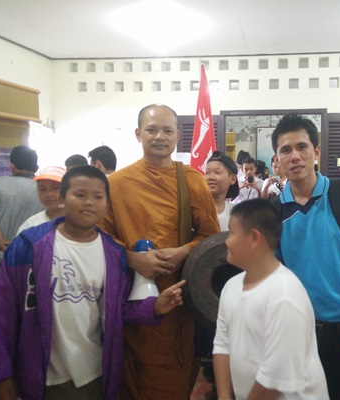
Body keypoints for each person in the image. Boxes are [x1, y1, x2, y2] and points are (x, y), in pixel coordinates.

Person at [0, 165, 185, 400]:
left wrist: (154, 307)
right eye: (80, 194)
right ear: (62, 199)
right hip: (43, 375)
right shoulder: (29, 246)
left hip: (95, 373)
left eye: (98, 196)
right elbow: (3, 312)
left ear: (106, 205)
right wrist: (0, 374)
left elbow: (117, 311)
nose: (89, 202)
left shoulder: (113, 254)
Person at [98, 104, 219, 399]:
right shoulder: (116, 184)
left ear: (177, 135)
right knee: (131, 378)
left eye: (167, 130)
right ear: (138, 134)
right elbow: (100, 238)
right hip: (131, 299)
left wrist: (183, 251)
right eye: (151, 130)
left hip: (177, 299)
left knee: (172, 379)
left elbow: (211, 238)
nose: (159, 136)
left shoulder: (192, 180)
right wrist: (131, 258)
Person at [271, 113, 340, 400]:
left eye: (302, 147)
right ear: (277, 159)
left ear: (316, 151)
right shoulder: (273, 210)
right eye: (286, 150)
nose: (295, 156)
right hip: (294, 328)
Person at [213, 198, 329, 400]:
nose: (226, 241)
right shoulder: (231, 286)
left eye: (231, 233)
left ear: (254, 238)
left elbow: (275, 381)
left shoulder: (284, 295)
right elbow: (222, 344)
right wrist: (224, 396)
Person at [0, 145, 44, 383]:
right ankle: (18, 368)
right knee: (23, 316)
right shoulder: (43, 190)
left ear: (12, 165)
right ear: (35, 166)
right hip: (28, 265)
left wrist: (4, 246)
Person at [16, 166, 67, 234]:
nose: (49, 194)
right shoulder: (31, 225)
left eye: (55, 188)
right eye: (43, 189)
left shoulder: (78, 222)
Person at [205, 151, 239, 231]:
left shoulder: (236, 213)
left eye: (217, 172)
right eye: (207, 173)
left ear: (232, 179)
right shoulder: (197, 209)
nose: (210, 177)